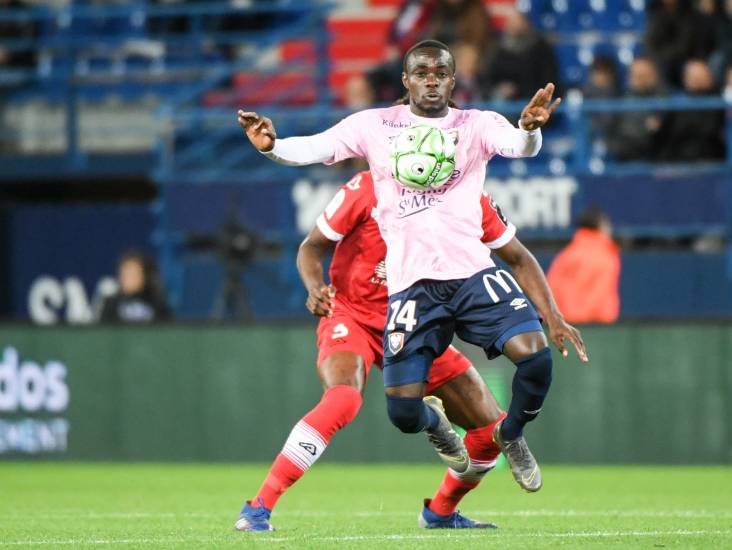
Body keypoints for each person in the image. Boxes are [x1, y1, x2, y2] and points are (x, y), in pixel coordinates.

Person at [239, 39, 587, 494]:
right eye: (421, 73)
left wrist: (530, 129)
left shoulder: (476, 125)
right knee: (403, 413)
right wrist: (273, 147)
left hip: (472, 277)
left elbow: (520, 147)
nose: (431, 80)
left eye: (440, 73)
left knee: (536, 357)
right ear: (406, 81)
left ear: (452, 79)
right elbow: (319, 148)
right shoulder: (374, 129)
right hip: (412, 290)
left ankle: (512, 432)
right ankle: (433, 426)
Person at [235, 170, 583, 531]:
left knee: (489, 432)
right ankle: (258, 507)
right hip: (352, 314)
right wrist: (313, 286)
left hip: (415, 320)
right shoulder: (367, 187)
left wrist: (551, 314)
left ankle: (441, 512)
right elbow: (311, 246)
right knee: (343, 399)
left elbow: (516, 255)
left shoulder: (464, 193)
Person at [547, 208, 620, 324]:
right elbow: (599, 294)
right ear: (601, 226)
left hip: (564, 325)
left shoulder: (565, 255)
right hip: (596, 327)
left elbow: (549, 290)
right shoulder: (606, 256)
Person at [483, 7, 560, 101]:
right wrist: (501, 88)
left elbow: (548, 79)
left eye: (518, 21)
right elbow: (488, 78)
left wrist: (519, 90)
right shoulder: (498, 48)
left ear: (526, 23)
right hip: (503, 101)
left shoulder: (541, 48)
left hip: (531, 98)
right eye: (511, 22)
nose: (514, 26)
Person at [607, 57, 669, 161]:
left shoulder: (663, 97)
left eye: (644, 75)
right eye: (636, 75)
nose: (640, 78)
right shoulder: (621, 97)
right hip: (624, 152)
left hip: (655, 153)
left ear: (654, 75)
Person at [661, 59, 724, 161]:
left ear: (710, 78)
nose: (697, 80)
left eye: (700, 76)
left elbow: (713, 132)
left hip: (711, 161)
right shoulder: (675, 105)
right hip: (678, 162)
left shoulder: (720, 102)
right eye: (693, 76)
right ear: (685, 79)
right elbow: (667, 136)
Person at [99, 251, 172, 324]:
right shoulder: (111, 304)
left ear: (144, 276)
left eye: (133, 274)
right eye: (125, 274)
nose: (128, 279)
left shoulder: (157, 304)